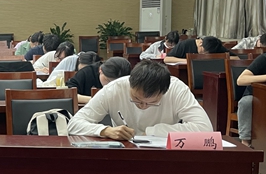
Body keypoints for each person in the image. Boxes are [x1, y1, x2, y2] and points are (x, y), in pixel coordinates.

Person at [67, 60, 212, 139]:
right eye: (136, 99)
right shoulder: (115, 88)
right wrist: (105, 130)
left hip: (165, 154)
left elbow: (205, 129)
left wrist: (152, 131)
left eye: (152, 103)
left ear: (164, 92)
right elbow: (74, 124)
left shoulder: (176, 89)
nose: (142, 106)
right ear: (130, 83)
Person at [235, 51, 266, 147]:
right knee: (246, 102)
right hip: (256, 96)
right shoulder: (263, 59)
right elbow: (241, 80)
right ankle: (245, 142)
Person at [164, 36, 230, 64]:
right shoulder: (185, 44)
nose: (204, 55)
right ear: (200, 43)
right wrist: (187, 61)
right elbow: (167, 59)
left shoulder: (215, 45)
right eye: (204, 51)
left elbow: (234, 57)